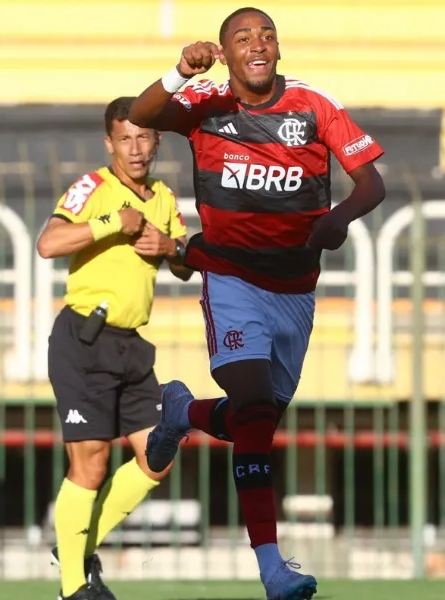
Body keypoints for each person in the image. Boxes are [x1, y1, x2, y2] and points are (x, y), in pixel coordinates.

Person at [128, 7, 386, 600]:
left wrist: (338, 220)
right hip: (230, 278)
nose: (257, 43)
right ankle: (272, 568)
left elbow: (372, 182)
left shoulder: (313, 105)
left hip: (295, 290)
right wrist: (178, 72)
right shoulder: (208, 105)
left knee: (254, 419)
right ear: (226, 52)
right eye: (242, 37)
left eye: (267, 34)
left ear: (279, 47)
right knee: (250, 409)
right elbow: (143, 114)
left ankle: (181, 413)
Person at [36, 96, 193, 600]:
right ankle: (73, 589)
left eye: (143, 137)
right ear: (109, 143)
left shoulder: (165, 198)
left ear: (157, 141)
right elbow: (49, 242)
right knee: (91, 462)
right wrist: (110, 224)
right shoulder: (94, 188)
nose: (135, 148)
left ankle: (76, 547)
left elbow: (188, 264)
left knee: (158, 457)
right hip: (84, 339)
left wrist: (171, 249)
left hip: (131, 345)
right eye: (124, 138)